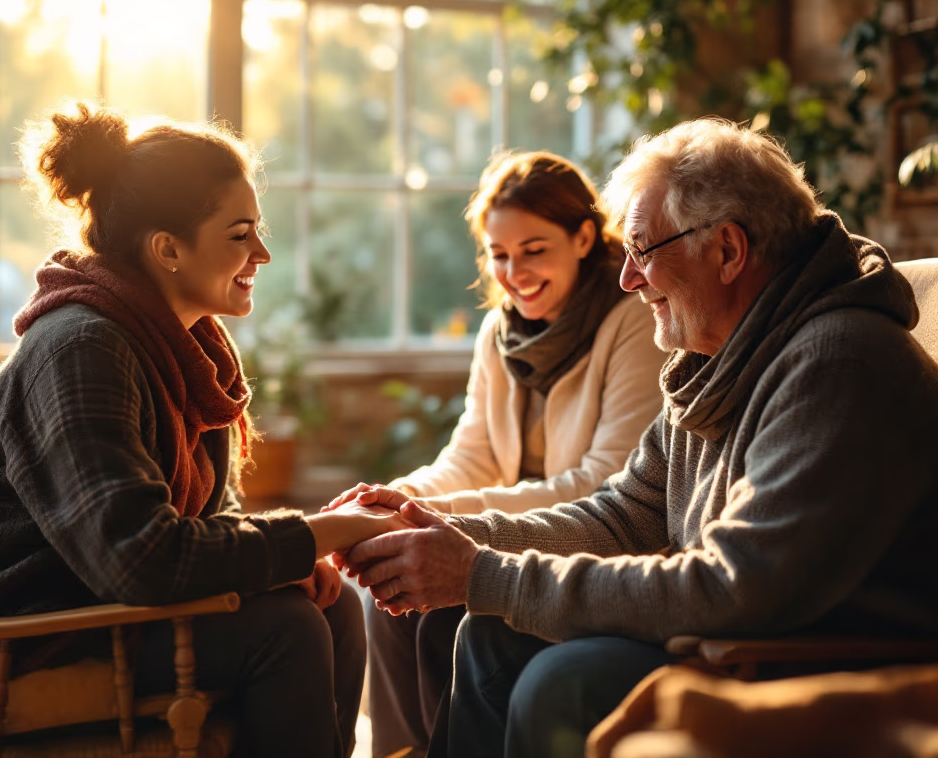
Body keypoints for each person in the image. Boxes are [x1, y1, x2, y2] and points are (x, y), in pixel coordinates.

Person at [333, 118, 938, 758]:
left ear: (728, 251)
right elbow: (624, 516)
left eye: (643, 249)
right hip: (728, 629)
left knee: (557, 681)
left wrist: (484, 573)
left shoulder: (839, 362)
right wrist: (453, 537)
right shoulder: (719, 359)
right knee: (485, 634)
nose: (628, 278)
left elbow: (739, 588)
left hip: (806, 655)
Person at [0, 103, 410, 758]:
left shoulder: (180, 342)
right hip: (55, 629)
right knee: (287, 631)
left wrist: (289, 559)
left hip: (108, 600)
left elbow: (209, 514)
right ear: (166, 248)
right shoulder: (82, 350)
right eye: (240, 233)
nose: (262, 253)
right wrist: (322, 534)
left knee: (330, 606)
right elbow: (141, 559)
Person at [333, 151, 665, 758]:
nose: (514, 272)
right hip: (500, 531)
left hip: (583, 541)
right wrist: (394, 503)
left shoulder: (633, 322)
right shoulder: (499, 332)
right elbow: (471, 456)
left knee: (436, 610)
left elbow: (603, 483)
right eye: (499, 254)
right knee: (391, 593)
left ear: (584, 236)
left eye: (534, 250)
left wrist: (442, 523)